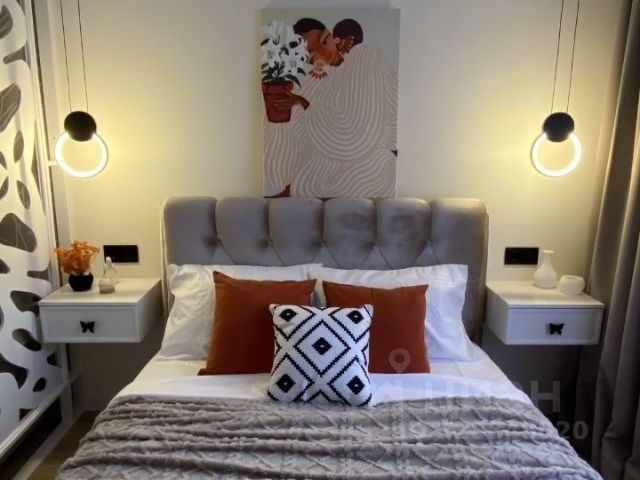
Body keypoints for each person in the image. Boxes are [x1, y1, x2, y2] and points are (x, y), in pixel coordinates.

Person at [263, 17, 398, 198]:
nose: (323, 53)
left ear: (333, 37)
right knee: (304, 183)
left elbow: (357, 134)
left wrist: (304, 104)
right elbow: (293, 148)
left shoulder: (365, 56)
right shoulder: (317, 81)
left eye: (324, 41)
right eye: (311, 54)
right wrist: (281, 114)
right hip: (322, 170)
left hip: (371, 166)